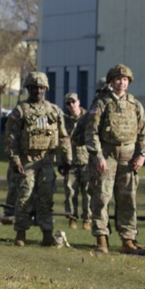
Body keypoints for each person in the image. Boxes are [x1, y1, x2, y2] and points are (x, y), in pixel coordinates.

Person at [85, 64, 145, 255]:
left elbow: (144, 133)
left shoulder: (135, 105)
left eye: (125, 80)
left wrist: (142, 155)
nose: (121, 83)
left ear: (129, 82)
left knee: (128, 199)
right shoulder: (102, 103)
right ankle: (101, 238)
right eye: (118, 79)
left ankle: (127, 240)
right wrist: (98, 156)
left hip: (128, 160)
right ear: (111, 82)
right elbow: (92, 132)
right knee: (102, 198)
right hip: (107, 158)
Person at [5, 73, 71, 246]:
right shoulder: (20, 111)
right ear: (29, 89)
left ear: (46, 89)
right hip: (27, 160)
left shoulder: (54, 111)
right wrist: (15, 160)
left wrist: (67, 159)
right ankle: (21, 233)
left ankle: (47, 233)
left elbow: (63, 136)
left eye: (41, 88)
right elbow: (10, 138)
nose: (38, 91)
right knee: (25, 196)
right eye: (34, 88)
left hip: (47, 160)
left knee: (46, 197)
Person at [61, 92, 90, 229]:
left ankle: (87, 219)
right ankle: (72, 218)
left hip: (86, 161)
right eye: (68, 103)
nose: (71, 105)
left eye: (73, 101)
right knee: (70, 191)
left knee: (88, 192)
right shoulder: (63, 120)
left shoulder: (88, 118)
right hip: (70, 162)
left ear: (78, 102)